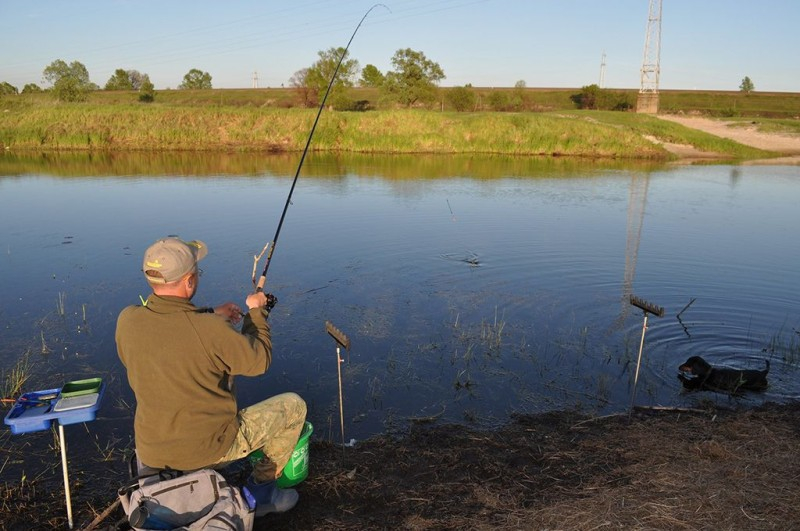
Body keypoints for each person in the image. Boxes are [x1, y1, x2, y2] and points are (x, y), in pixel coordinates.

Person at [116, 236, 306, 516]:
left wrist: (211, 313)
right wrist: (256, 312)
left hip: (152, 450)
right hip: (206, 448)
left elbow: (174, 328)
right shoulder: (209, 331)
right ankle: (262, 495)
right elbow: (259, 360)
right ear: (189, 281)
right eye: (197, 273)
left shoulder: (127, 320)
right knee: (293, 406)